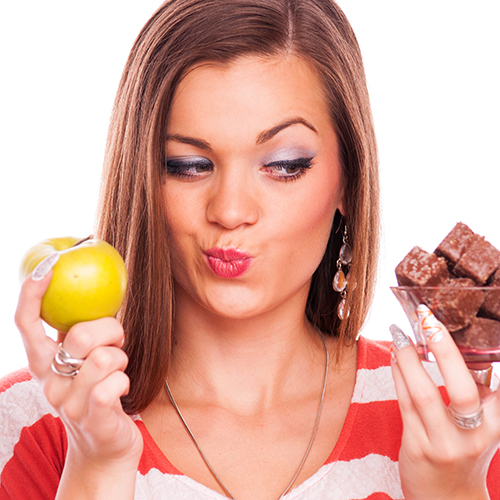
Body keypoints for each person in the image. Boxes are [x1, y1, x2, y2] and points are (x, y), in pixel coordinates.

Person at [1, 0, 499, 498]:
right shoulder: (28, 420)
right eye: (188, 164)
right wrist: (97, 462)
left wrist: (454, 490)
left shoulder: (460, 425)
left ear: (348, 178)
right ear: (143, 179)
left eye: (284, 164)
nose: (231, 209)